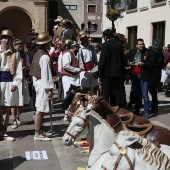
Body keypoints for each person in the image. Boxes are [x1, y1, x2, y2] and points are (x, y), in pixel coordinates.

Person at [29, 32, 54, 141]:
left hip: (38, 83)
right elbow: (46, 73)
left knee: (41, 108)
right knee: (40, 109)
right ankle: (37, 132)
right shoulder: (44, 56)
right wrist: (49, 89)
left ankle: (39, 130)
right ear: (47, 43)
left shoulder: (37, 53)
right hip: (43, 83)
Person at [0, 29, 22, 141]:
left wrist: (15, 83)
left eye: (8, 38)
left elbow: (18, 70)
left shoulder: (15, 53)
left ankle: (4, 131)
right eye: (4, 38)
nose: (6, 40)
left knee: (7, 107)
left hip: (9, 81)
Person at [98, 29, 126, 107]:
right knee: (117, 92)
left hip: (107, 74)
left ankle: (106, 110)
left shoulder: (105, 45)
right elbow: (122, 59)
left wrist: (100, 74)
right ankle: (118, 109)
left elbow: (102, 61)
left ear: (106, 36)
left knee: (106, 93)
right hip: (118, 73)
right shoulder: (119, 45)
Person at [128, 38, 154, 119]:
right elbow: (127, 59)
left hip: (143, 76)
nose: (141, 45)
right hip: (134, 76)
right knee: (136, 94)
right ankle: (137, 110)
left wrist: (144, 64)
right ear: (136, 45)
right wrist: (129, 63)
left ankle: (146, 112)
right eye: (140, 44)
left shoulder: (148, 52)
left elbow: (152, 64)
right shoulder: (133, 52)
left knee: (144, 95)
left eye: (142, 44)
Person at [11, 38, 30, 129]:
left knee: (22, 101)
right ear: (14, 46)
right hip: (13, 80)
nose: (20, 48)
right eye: (18, 46)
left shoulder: (24, 55)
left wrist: (25, 68)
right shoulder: (11, 54)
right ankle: (14, 119)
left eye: (20, 46)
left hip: (22, 79)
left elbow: (28, 67)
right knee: (14, 101)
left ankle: (18, 115)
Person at [149, 40, 164, 116]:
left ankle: (154, 108)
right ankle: (154, 107)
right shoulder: (160, 53)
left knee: (153, 91)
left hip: (154, 74)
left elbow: (153, 64)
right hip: (157, 74)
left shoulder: (154, 53)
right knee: (153, 91)